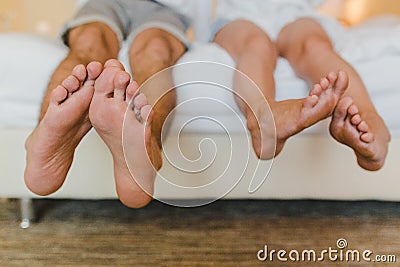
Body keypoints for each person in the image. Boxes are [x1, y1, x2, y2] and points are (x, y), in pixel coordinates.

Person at [24, 0, 190, 208]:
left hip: (167, 7)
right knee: (91, 39)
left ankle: (149, 150)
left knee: (155, 49)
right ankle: (45, 134)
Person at [212, 0, 391, 171]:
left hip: (294, 12)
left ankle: (368, 118)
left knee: (312, 45)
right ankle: (263, 117)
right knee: (255, 44)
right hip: (238, 14)